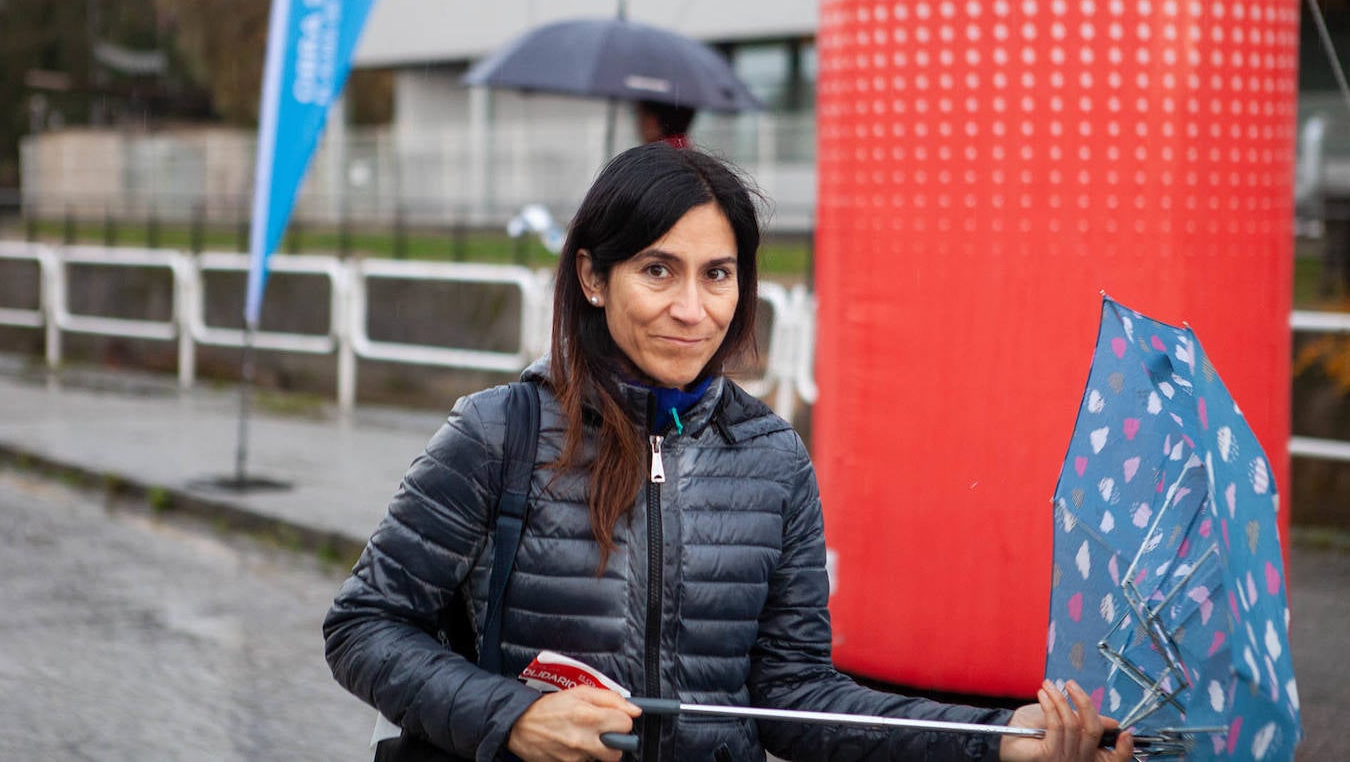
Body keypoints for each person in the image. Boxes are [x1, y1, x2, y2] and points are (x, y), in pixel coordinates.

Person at [324, 142, 1134, 762]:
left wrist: (1001, 737)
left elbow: (800, 696)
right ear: (593, 279)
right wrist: (515, 720)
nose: (691, 309)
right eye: (657, 270)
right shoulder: (497, 433)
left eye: (717, 274)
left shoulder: (773, 459)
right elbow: (365, 626)